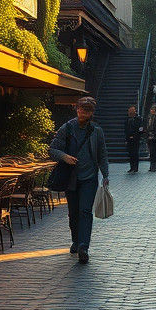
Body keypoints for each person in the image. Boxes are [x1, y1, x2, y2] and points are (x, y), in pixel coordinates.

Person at [49, 96, 110, 264]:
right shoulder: (67, 128)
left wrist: (105, 175)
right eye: (81, 108)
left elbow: (102, 154)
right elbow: (52, 149)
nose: (83, 112)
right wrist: (64, 156)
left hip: (89, 177)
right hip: (71, 178)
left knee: (85, 212)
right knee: (73, 213)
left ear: (92, 113)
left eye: (87, 110)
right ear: (76, 109)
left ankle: (84, 246)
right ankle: (76, 240)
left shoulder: (96, 131)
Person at [124, 105, 144, 173]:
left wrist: (135, 136)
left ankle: (136, 167)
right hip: (129, 139)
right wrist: (126, 139)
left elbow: (140, 129)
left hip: (136, 139)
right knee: (130, 154)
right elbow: (125, 130)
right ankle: (131, 167)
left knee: (135, 153)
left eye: (132, 111)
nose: (130, 112)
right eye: (129, 111)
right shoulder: (127, 119)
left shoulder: (138, 119)